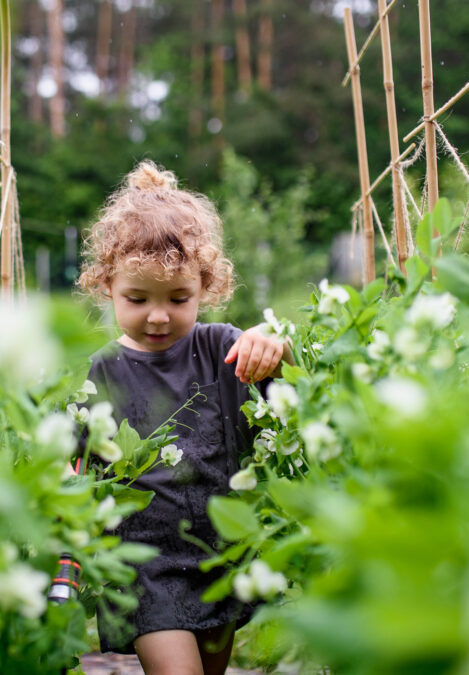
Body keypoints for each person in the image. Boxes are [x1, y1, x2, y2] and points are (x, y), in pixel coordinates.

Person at [76, 160, 290, 675]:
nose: (157, 315)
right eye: (136, 298)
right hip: (144, 562)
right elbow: (74, 454)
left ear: (206, 287)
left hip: (218, 554)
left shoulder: (223, 348)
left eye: (178, 298)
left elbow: (283, 374)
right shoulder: (103, 370)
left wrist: (273, 342)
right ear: (107, 286)